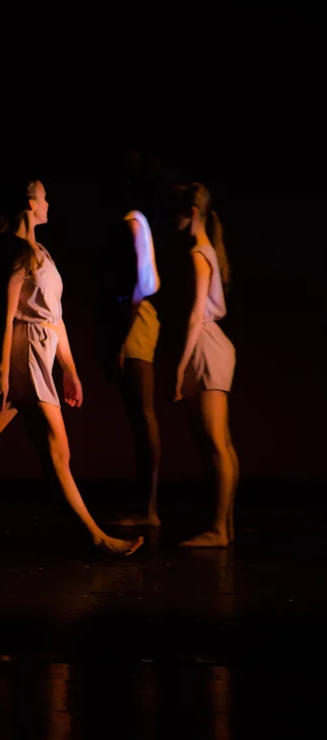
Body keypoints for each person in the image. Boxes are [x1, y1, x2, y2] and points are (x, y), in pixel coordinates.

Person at [0, 178, 143, 558]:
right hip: (24, 355)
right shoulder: (18, 253)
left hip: (41, 353)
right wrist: (1, 372)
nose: (49, 202)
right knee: (56, 453)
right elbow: (5, 317)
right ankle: (97, 538)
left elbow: (55, 318)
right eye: (44, 196)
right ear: (30, 203)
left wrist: (69, 369)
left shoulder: (43, 253)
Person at [161, 182, 239, 547]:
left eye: (175, 212)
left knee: (215, 444)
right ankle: (225, 526)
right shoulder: (208, 250)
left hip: (206, 346)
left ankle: (219, 528)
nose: (171, 220)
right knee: (221, 443)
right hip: (211, 344)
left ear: (191, 213)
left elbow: (196, 315)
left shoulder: (198, 253)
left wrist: (180, 367)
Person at [101, 153, 163, 528]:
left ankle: (148, 509)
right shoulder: (134, 221)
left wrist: (120, 344)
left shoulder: (132, 223)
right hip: (134, 319)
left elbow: (138, 286)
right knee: (140, 417)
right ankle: (146, 506)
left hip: (136, 322)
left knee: (143, 415)